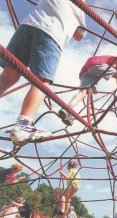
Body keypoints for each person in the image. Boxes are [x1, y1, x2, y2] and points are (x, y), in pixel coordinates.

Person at [0, 0, 86, 146]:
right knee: (41, 81)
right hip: (52, 33)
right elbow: (79, 36)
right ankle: (23, 124)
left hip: (28, 26)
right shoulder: (80, 8)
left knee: (10, 74)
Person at [58, 55, 117, 126]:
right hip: (95, 64)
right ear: (115, 66)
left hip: (85, 72)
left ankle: (67, 109)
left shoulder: (101, 67)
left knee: (83, 93)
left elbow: (93, 73)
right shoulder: (111, 60)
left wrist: (93, 88)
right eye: (115, 69)